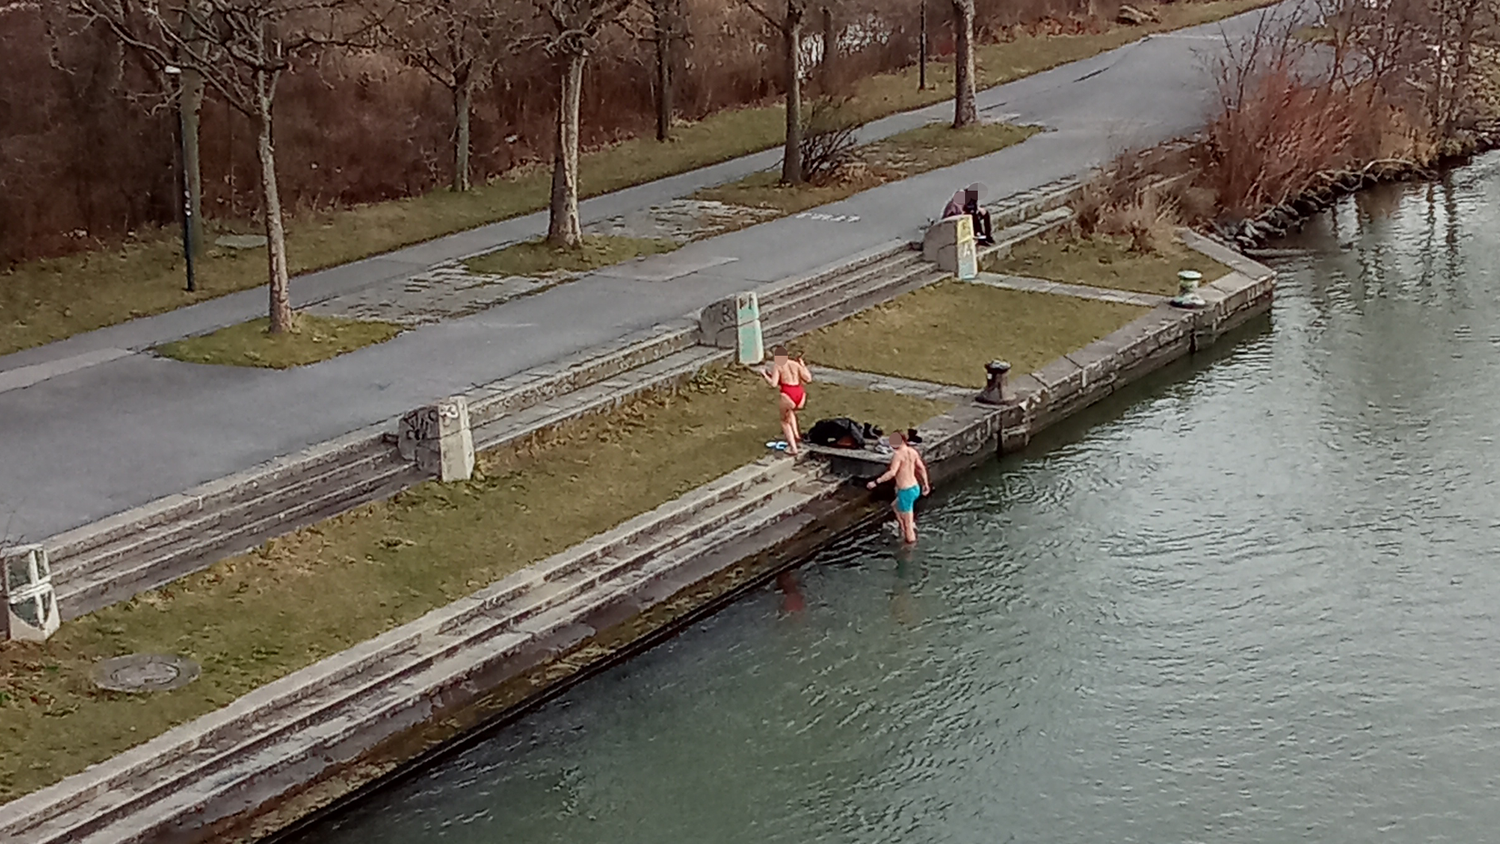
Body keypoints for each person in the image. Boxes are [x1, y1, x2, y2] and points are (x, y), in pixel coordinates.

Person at [867, 430, 931, 544]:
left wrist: (876, 482)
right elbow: (921, 468)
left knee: (908, 526)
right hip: (915, 488)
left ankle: (909, 546)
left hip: (906, 491)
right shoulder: (913, 452)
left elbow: (892, 473)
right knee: (895, 505)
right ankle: (902, 528)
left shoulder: (898, 455)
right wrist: (926, 484)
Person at [763, 344, 812, 455]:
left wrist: (765, 375)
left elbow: (773, 384)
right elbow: (808, 379)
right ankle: (797, 436)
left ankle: (793, 448)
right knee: (791, 413)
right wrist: (803, 366)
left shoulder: (778, 365)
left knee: (784, 422)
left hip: (788, 393)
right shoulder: (795, 364)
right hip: (800, 393)